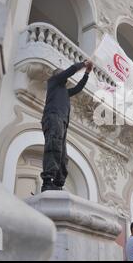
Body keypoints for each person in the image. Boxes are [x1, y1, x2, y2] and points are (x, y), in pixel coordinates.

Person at [40, 60, 93, 192]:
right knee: (54, 147)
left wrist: (86, 73)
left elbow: (78, 88)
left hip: (62, 122)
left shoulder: (65, 92)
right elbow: (70, 70)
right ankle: (47, 181)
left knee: (63, 155)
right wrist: (83, 64)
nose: (64, 75)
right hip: (53, 117)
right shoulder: (53, 81)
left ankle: (58, 183)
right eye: (61, 73)